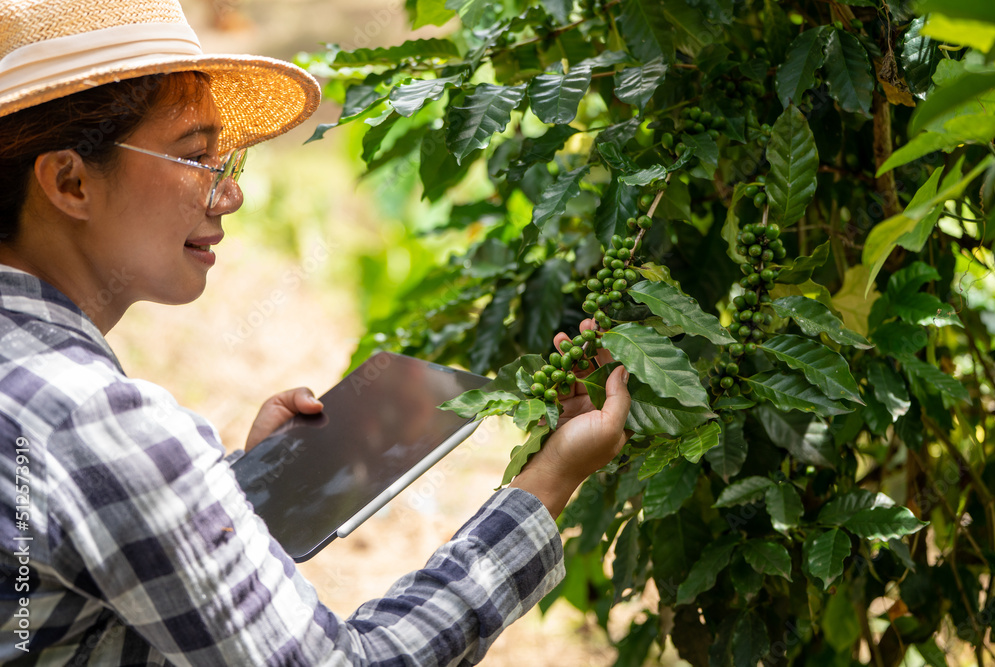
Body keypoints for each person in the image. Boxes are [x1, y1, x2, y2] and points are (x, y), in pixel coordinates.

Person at [0, 0, 632, 664]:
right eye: (197, 158)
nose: (229, 195)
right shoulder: (100, 423)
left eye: (229, 162)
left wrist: (227, 502)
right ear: (70, 181)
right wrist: (547, 484)